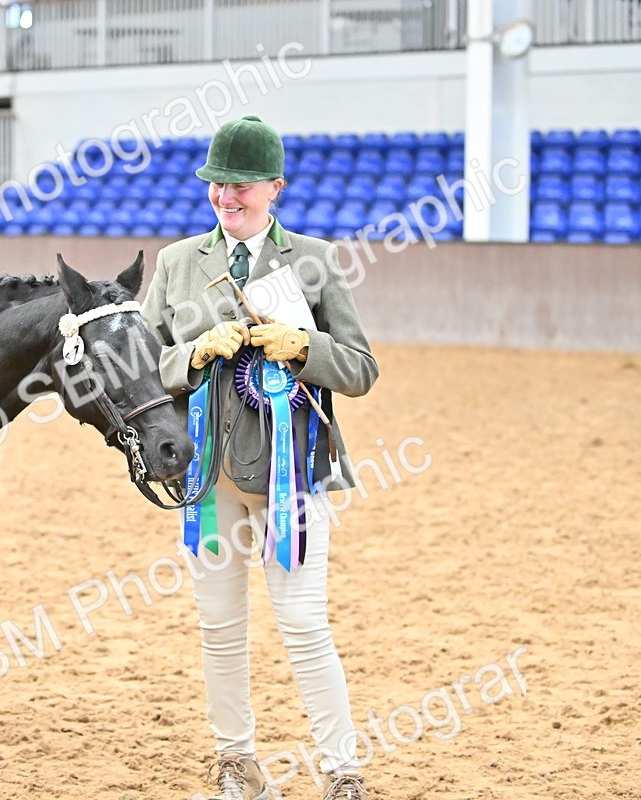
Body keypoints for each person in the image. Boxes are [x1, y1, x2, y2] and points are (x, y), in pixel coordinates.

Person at [140, 115, 379, 800]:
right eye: (217, 186)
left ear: (275, 187)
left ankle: (341, 768)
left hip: (291, 477)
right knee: (219, 626)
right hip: (207, 479)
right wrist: (193, 353)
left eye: (240, 187)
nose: (226, 199)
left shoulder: (316, 260)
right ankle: (235, 761)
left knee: (304, 623)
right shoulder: (178, 263)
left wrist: (304, 350)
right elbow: (140, 365)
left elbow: (361, 369)